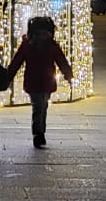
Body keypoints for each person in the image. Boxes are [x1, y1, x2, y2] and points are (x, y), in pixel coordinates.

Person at [6, 14, 72, 148]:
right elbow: (16, 62)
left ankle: (41, 131)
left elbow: (61, 61)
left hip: (47, 82)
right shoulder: (27, 46)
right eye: (40, 33)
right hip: (33, 82)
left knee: (43, 107)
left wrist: (68, 74)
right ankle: (38, 133)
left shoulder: (52, 46)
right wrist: (8, 76)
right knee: (38, 107)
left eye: (45, 33)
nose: (43, 36)